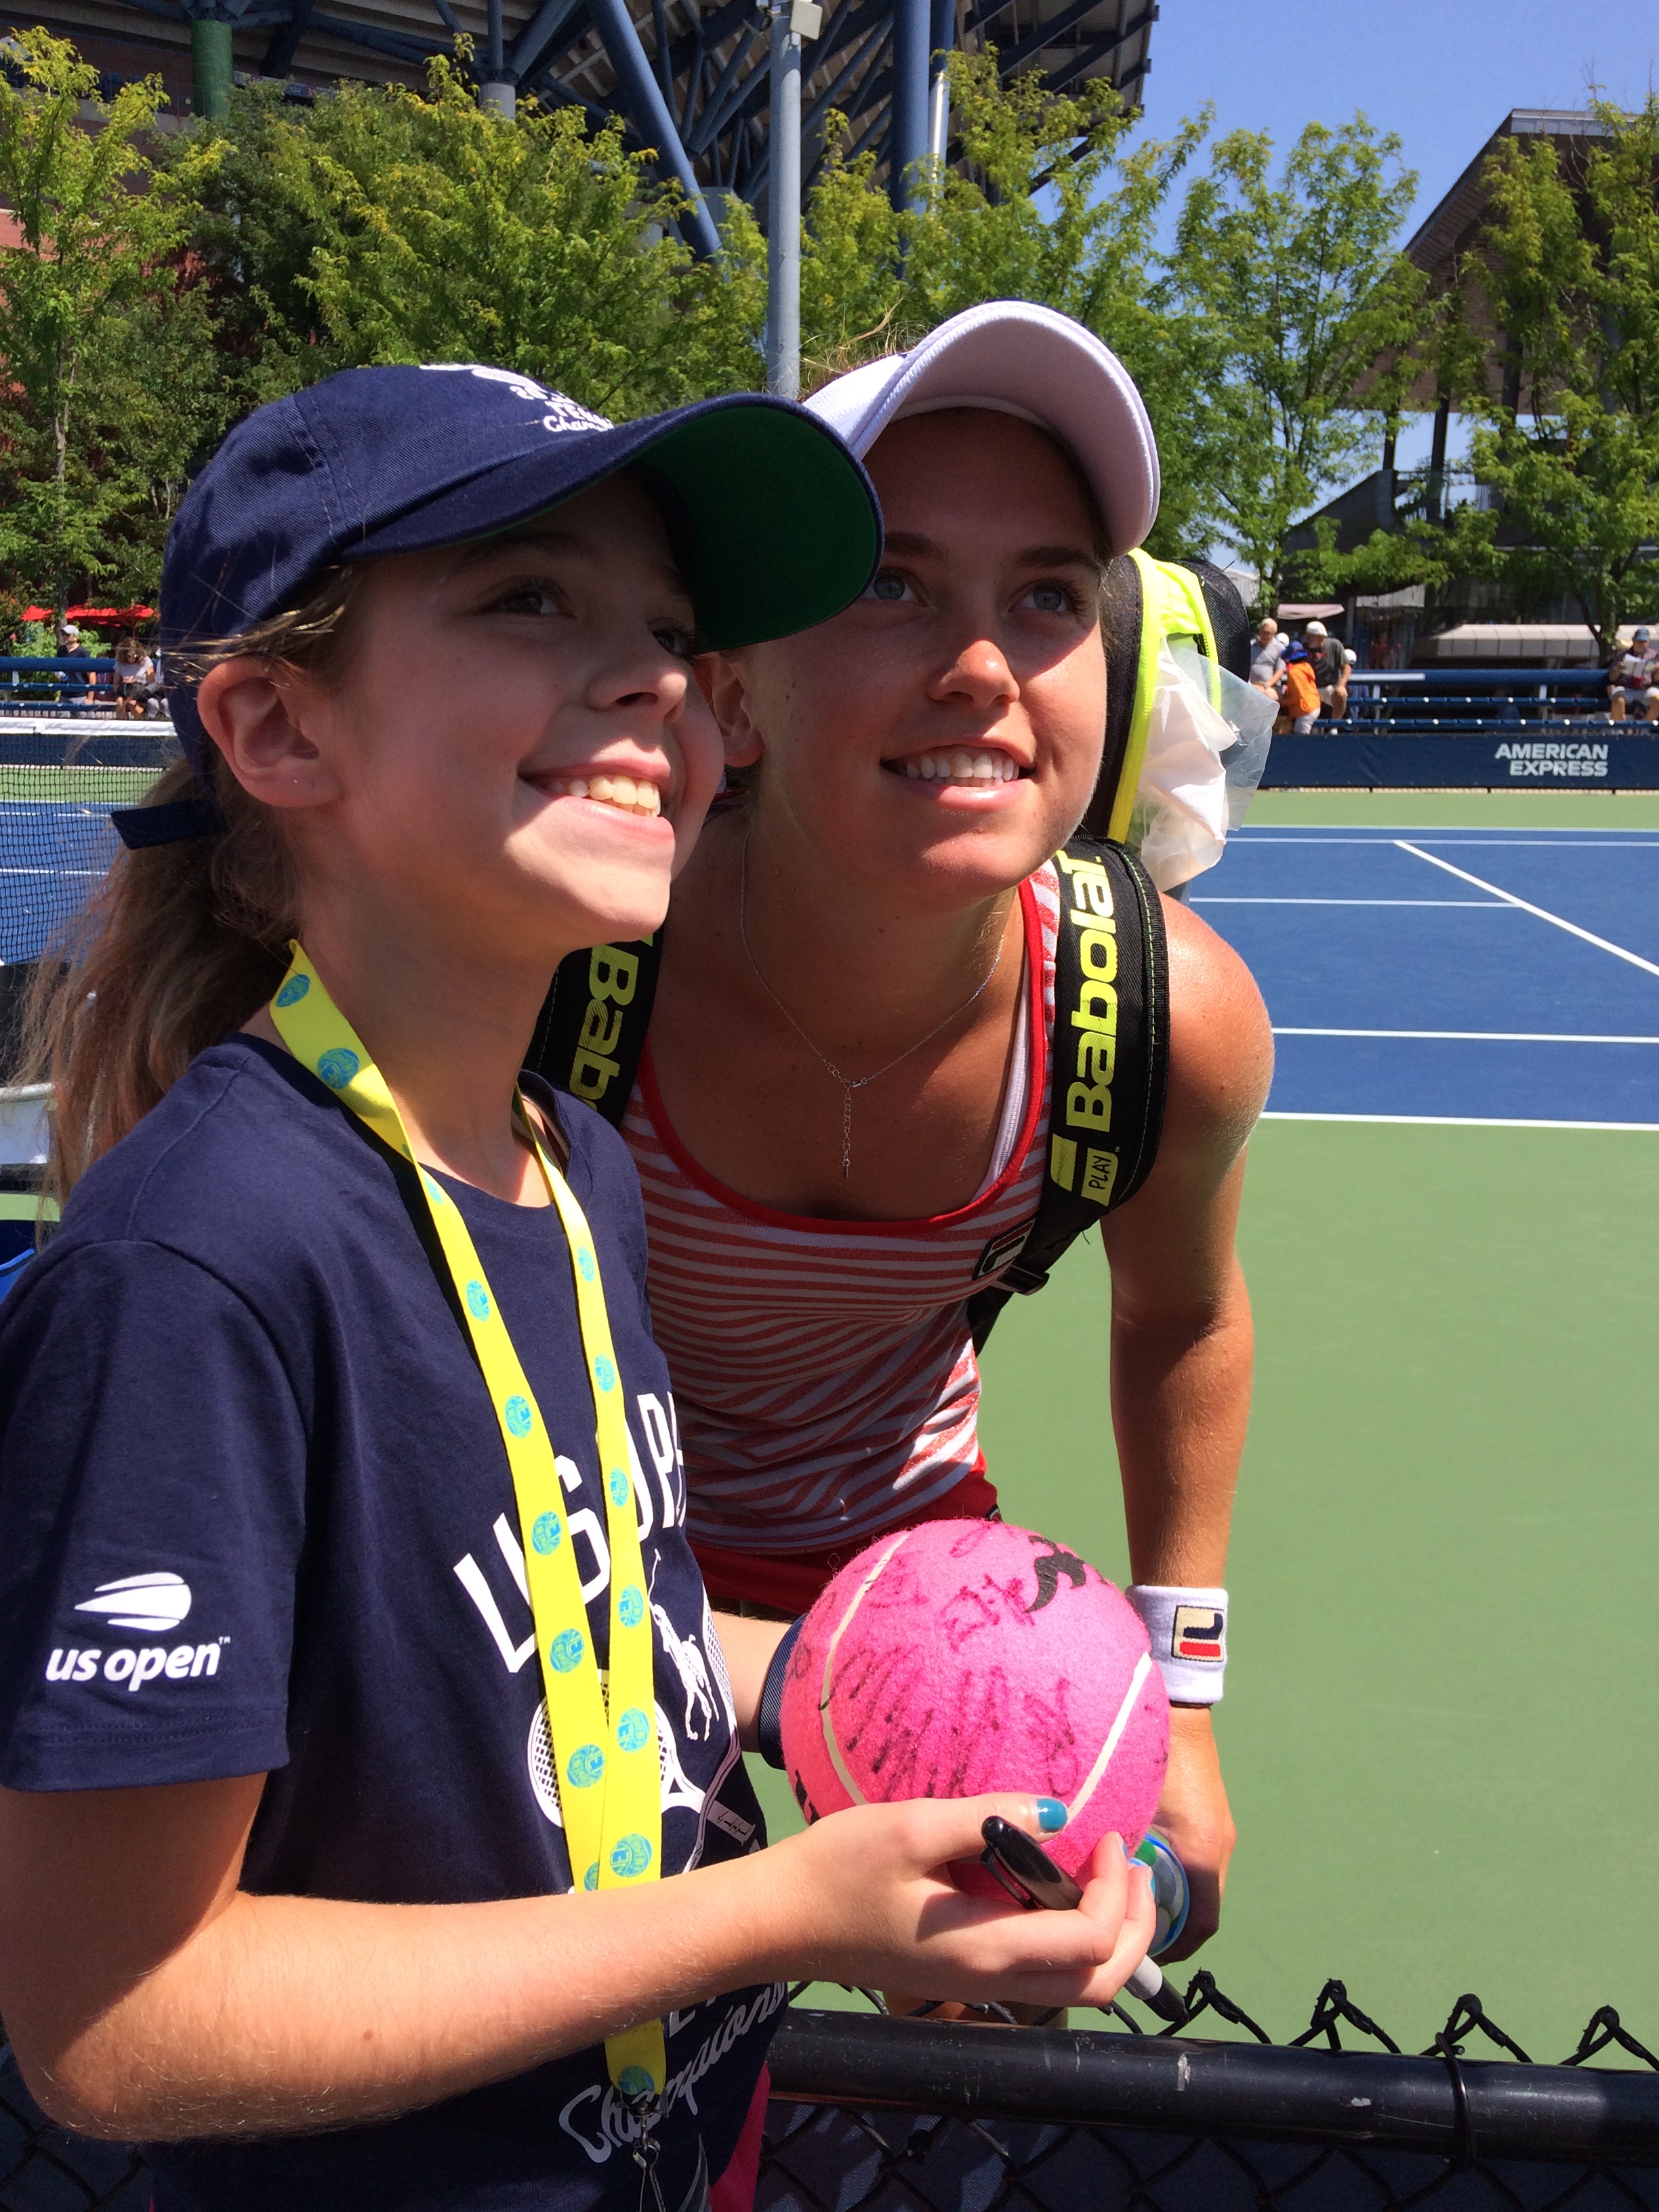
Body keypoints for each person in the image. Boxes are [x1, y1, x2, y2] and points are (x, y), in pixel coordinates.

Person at [0, 365, 1155, 2212]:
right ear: (279, 728)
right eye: (534, 601)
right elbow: (117, 2023)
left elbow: (588, 1623)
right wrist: (765, 1911)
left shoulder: (573, 1170)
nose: (657, 682)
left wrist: (931, 1718)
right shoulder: (198, 1277)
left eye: (678, 634)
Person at [548, 304, 1273, 1963]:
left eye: (1044, 595)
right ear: (729, 690)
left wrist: (1184, 1695)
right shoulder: (566, 966)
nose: (981, 665)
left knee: (974, 1992)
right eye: (886, 583)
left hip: (910, 1564)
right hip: (572, 1539)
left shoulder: (1162, 1021)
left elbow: (1184, 1316)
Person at [1607, 626, 1659, 723]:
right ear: (1633, 640)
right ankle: (1620, 730)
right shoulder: (1622, 655)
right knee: (1618, 699)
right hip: (1626, 687)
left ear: (1648, 642)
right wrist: (1618, 669)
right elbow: (1612, 678)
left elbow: (1656, 679)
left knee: (1658, 700)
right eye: (1639, 641)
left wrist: (1657, 670)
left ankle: (1644, 729)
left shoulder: (1654, 655)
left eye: (1644, 642)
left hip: (1645, 688)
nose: (1641, 644)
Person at [1304, 620, 1348, 722]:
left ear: (1320, 636)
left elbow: (1346, 667)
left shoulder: (1334, 645)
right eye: (1307, 636)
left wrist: (1341, 686)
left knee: (1341, 696)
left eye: (1311, 637)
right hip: (1310, 689)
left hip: (1329, 687)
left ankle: (1335, 726)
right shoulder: (1304, 648)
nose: (1308, 639)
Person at [110, 630, 156, 720]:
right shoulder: (120, 663)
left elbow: (151, 682)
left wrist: (136, 681)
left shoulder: (145, 661)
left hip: (141, 692)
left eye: (134, 656)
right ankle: (122, 727)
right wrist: (124, 683)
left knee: (131, 703)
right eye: (128, 656)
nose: (131, 658)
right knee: (120, 702)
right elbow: (115, 683)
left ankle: (144, 724)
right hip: (125, 691)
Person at [1248, 616, 1285, 696]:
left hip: (1270, 686)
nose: (1265, 636)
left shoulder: (1280, 649)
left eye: (1268, 633)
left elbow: (1280, 671)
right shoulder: (1251, 646)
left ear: (1274, 634)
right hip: (1250, 684)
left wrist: (1266, 686)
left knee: (1268, 696)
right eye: (1263, 632)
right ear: (1260, 631)